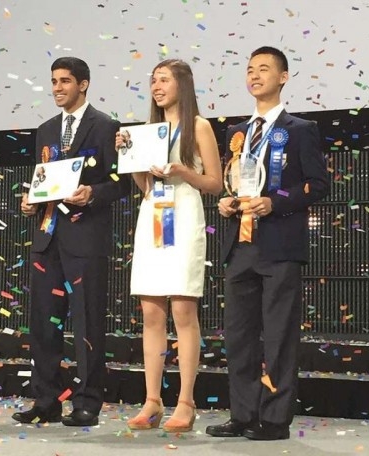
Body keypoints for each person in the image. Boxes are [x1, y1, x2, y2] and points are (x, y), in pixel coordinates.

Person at [206, 46, 330, 440]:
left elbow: (318, 184)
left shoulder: (300, 130)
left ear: (283, 77)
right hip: (239, 246)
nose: (255, 76)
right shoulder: (236, 133)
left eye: (264, 69)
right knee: (239, 336)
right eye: (249, 70)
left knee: (278, 336)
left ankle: (274, 419)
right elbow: (236, 181)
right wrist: (228, 202)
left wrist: (275, 202)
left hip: (279, 247)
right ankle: (242, 413)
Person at [12, 56, 130, 426]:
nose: (57, 88)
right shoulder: (46, 130)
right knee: (44, 324)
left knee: (87, 323)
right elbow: (43, 181)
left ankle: (87, 402)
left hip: (86, 238)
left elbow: (120, 184)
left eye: (65, 81)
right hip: (48, 237)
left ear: (84, 84)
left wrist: (91, 194)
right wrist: (30, 202)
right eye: (54, 81)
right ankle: (45, 400)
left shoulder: (106, 126)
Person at [116, 59, 222, 433]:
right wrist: (130, 158)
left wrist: (183, 173)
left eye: (164, 79)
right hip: (153, 217)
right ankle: (152, 400)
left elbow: (215, 184)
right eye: (153, 81)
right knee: (151, 313)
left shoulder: (199, 127)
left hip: (184, 214)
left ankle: (186, 401)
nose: (156, 87)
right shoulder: (148, 130)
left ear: (183, 84)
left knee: (183, 311)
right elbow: (146, 187)